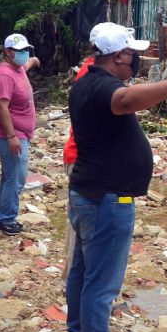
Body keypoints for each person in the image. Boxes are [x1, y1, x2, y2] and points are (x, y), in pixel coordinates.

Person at [65, 22, 167, 332]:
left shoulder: (85, 82)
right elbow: (126, 101)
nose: (137, 60)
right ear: (118, 56)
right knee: (102, 283)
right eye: (133, 54)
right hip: (106, 199)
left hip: (89, 193)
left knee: (83, 272)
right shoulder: (103, 88)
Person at [0, 33, 40, 236]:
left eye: (26, 50)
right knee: (16, 178)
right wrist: (11, 136)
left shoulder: (18, 69)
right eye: (20, 51)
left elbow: (25, 66)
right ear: (8, 52)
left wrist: (33, 61)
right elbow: (1, 106)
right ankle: (5, 220)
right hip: (9, 136)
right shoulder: (4, 75)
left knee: (9, 176)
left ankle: (2, 215)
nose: (24, 54)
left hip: (20, 134)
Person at [61, 27, 102, 279]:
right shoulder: (92, 77)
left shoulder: (92, 73)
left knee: (81, 223)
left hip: (81, 157)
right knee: (82, 226)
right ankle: (76, 278)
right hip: (81, 159)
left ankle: (77, 278)